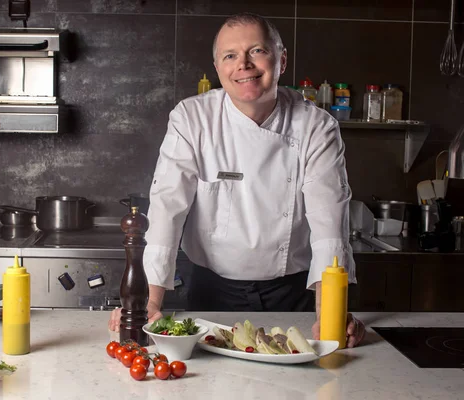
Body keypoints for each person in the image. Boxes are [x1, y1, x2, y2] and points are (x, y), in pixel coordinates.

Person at [109, 12, 366, 347]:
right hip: (211, 292)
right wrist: (150, 302)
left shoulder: (316, 126)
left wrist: (330, 312)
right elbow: (167, 209)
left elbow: (329, 220)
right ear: (218, 68)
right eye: (230, 56)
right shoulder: (192, 119)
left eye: (257, 51)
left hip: (294, 295)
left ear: (281, 60)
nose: (243, 64)